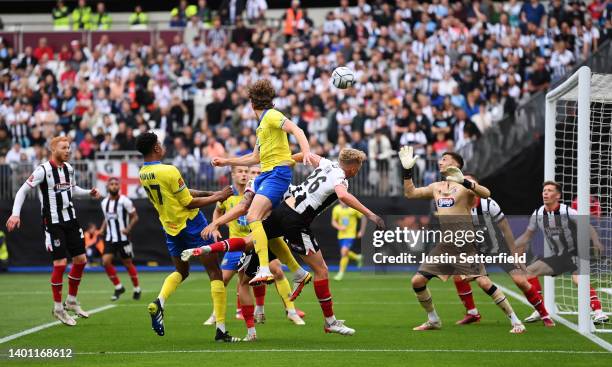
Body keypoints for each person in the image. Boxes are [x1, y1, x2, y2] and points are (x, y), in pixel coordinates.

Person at [187, 148, 386, 337]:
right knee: (321, 270)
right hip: (297, 221)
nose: (356, 172)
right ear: (353, 167)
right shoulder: (339, 176)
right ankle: (330, 321)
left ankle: (204, 248)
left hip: (283, 209)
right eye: (358, 169)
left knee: (251, 241)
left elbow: (305, 156)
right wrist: (371, 215)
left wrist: (288, 163)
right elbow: (342, 195)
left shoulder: (326, 163)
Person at [401, 147, 526, 333]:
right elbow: (410, 193)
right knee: (417, 282)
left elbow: (486, 193)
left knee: (484, 283)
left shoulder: (464, 186)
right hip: (445, 245)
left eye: (444, 159)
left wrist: (466, 182)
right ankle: (433, 319)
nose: (440, 162)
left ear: (455, 164)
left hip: (464, 243)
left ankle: (516, 321)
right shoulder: (437, 187)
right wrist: (407, 171)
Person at [135, 131, 239, 342]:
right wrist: (218, 196)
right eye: (160, 144)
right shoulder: (169, 170)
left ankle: (159, 302)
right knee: (215, 272)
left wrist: (210, 193)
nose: (162, 146)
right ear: (156, 148)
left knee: (181, 271)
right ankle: (220, 330)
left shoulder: (143, 173)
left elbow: (181, 192)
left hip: (170, 227)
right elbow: (187, 202)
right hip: (193, 224)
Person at [211, 79, 314, 285]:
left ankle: (264, 269)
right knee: (268, 228)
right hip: (266, 174)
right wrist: (226, 161)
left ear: (251, 102)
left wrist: (307, 152)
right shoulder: (262, 125)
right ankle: (299, 272)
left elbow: (298, 130)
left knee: (252, 216)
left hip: (277, 173)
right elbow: (255, 158)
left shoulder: (272, 116)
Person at [6, 136, 101, 326]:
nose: (68, 150)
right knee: (60, 263)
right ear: (53, 149)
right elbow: (22, 190)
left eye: (69, 147)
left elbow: (72, 190)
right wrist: (15, 214)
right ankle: (58, 308)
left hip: (71, 220)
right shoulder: (43, 170)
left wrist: (88, 192)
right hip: (53, 223)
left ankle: (71, 301)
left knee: (81, 260)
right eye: (64, 148)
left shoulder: (69, 169)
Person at [202, 165, 306, 329]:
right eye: (245, 172)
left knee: (276, 271)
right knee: (223, 280)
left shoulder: (264, 194)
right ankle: (217, 314)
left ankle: (290, 311)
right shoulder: (229, 194)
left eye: (257, 173)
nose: (246, 175)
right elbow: (218, 210)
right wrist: (216, 226)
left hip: (258, 242)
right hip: (236, 244)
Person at [452, 174, 554, 327]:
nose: (467, 187)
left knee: (520, 280)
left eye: (470, 183)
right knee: (466, 278)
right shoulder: (457, 206)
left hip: (498, 248)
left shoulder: (488, 203)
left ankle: (544, 314)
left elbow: (505, 228)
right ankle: (473, 313)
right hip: (477, 250)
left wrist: (514, 254)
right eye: (464, 184)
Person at [514, 181, 609, 324]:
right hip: (558, 257)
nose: (545, 193)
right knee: (528, 273)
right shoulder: (539, 213)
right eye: (544, 190)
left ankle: (598, 312)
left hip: (576, 253)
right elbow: (527, 236)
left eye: (550, 190)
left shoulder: (567, 211)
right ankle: (539, 309)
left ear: (557, 195)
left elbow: (587, 226)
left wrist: (596, 241)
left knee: (578, 279)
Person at [99, 177, 141, 301]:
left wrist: (128, 229)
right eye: (111, 184)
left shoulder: (125, 201)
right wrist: (102, 228)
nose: (114, 186)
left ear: (119, 186)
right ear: (107, 186)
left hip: (123, 238)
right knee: (105, 261)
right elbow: (107, 218)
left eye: (116, 184)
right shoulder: (104, 203)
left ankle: (137, 288)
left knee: (127, 264)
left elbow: (135, 217)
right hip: (110, 238)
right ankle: (118, 287)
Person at [331, 201, 365, 281]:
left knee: (344, 252)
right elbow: (333, 221)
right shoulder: (336, 209)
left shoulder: (353, 208)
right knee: (345, 252)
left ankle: (341, 273)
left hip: (350, 235)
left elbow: (363, 217)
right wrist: (339, 227)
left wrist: (362, 231)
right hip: (341, 235)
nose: (343, 201)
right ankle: (357, 257)